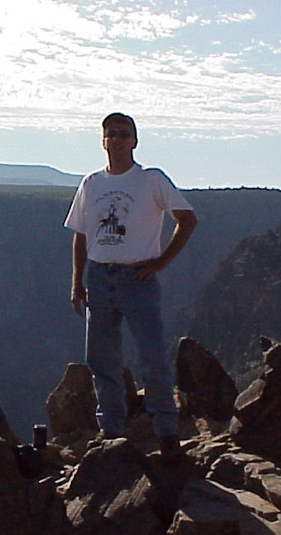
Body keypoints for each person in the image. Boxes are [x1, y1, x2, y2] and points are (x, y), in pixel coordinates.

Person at [64, 112, 197, 461]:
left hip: (137, 280)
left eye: (124, 134)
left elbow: (187, 219)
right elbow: (81, 235)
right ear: (103, 141)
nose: (118, 140)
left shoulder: (151, 180)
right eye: (112, 134)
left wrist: (161, 262)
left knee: (152, 357)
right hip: (99, 276)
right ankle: (111, 430)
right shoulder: (91, 183)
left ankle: (166, 432)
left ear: (135, 141)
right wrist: (77, 282)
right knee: (101, 360)